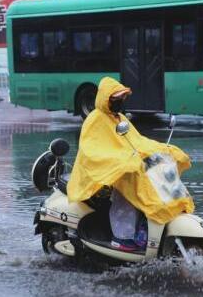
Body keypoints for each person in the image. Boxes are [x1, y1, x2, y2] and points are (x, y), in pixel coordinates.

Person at [67, 77, 194, 252]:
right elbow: (92, 151)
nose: (119, 102)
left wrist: (162, 149)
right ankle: (122, 238)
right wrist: (123, 160)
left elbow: (137, 141)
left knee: (155, 172)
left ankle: (158, 218)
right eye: (115, 99)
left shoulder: (119, 118)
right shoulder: (95, 119)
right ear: (106, 98)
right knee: (128, 189)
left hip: (126, 164)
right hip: (102, 171)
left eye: (121, 98)